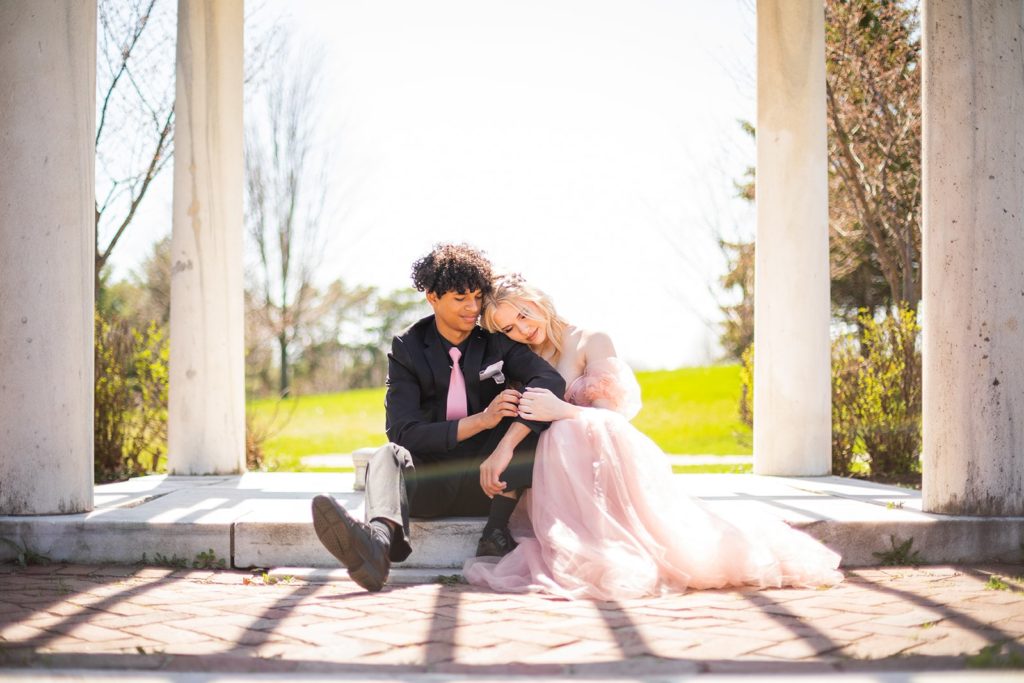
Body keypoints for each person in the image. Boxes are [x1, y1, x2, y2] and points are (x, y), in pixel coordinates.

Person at [463, 273, 843, 599]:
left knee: (570, 429)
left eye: (524, 315)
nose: (523, 329)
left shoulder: (590, 340)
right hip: (554, 472)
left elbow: (611, 421)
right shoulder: (521, 358)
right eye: (510, 328)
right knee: (559, 435)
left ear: (538, 300)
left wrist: (563, 410)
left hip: (601, 456)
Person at [311, 244, 565, 592]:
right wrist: (481, 420)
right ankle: (377, 545)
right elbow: (403, 432)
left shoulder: (496, 343)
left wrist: (505, 444)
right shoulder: (408, 348)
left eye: (477, 297)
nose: (473, 308)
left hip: (490, 482)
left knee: (535, 410)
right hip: (431, 481)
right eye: (460, 298)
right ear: (432, 296)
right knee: (386, 455)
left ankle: (495, 532)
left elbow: (550, 380)